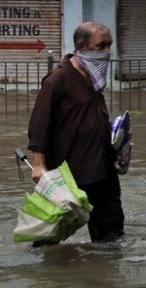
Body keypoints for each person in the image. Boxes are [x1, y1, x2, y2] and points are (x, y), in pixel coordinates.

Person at [28, 21, 124, 244]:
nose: (107, 52)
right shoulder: (57, 80)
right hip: (68, 172)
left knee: (111, 237)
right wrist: (39, 163)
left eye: (109, 45)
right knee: (46, 239)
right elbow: (39, 123)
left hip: (102, 169)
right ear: (81, 46)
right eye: (100, 46)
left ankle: (104, 276)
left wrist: (120, 145)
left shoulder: (94, 79)